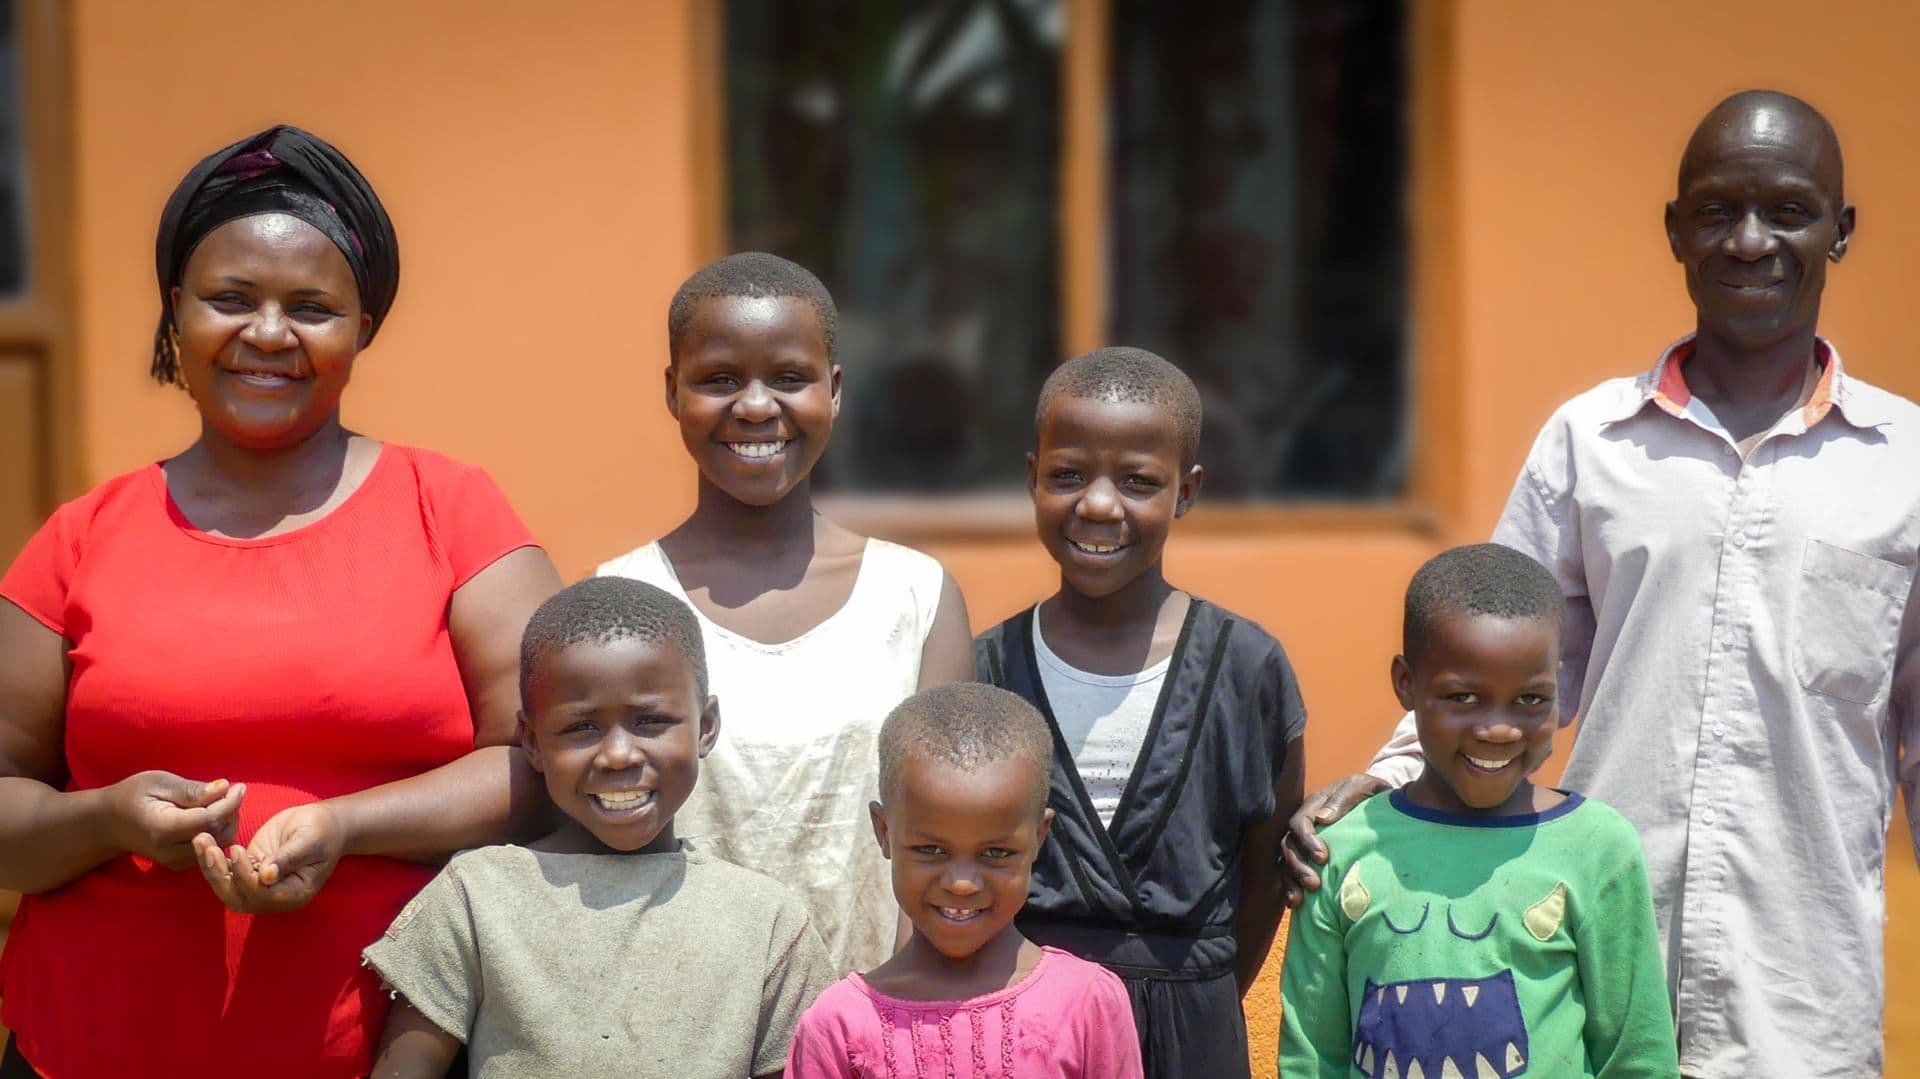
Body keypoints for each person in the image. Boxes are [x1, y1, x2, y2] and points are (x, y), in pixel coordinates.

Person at [1283, 91, 1920, 1078]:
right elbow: (1489, 657)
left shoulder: (1906, 464)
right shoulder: (1589, 445)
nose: (1751, 241)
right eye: (1717, 210)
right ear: (1676, 229)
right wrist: (1373, 785)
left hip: (1800, 998)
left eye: (1788, 210)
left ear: (1841, 230)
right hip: (1569, 972)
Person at [0, 125, 560, 1077]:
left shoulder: (453, 513)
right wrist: (111, 819)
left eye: (312, 307)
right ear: (175, 310)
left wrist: (349, 825)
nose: (268, 334)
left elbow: (548, 766)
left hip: (391, 1052)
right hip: (86, 1046)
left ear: (363, 326)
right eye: (230, 299)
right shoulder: (80, 538)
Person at [598, 252, 974, 973]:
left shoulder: (914, 597)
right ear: (672, 392)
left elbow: (945, 836)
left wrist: (889, 1024)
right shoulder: (623, 600)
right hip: (681, 1019)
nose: (755, 405)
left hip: (874, 1024)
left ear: (834, 391)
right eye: (719, 379)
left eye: (789, 377)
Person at [974, 348, 1307, 1078]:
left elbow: (1265, 874)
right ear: (1031, 478)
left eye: (1138, 481)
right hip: (1022, 1033)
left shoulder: (1248, 669)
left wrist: (1196, 992)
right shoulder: (985, 673)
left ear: (1186, 492)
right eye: (1068, 475)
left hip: (1195, 1030)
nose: (1098, 503)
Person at [366, 577, 835, 1077]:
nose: (617, 755)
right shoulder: (477, 898)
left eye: (650, 721)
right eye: (581, 728)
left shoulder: (765, 922)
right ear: (532, 741)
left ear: (705, 727)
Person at [1279, 544, 1677, 1078]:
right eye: (1463, 697)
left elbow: (1636, 1057)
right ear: (1406, 684)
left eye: (1532, 699)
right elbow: (1312, 1056)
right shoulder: (1341, 849)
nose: (1499, 728)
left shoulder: (1599, 849)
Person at [785, 682, 1143, 1078]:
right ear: (884, 831)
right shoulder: (839, 1026)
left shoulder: (1087, 1004)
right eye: (931, 850)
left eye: (996, 853)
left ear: (1038, 837)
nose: (961, 884)